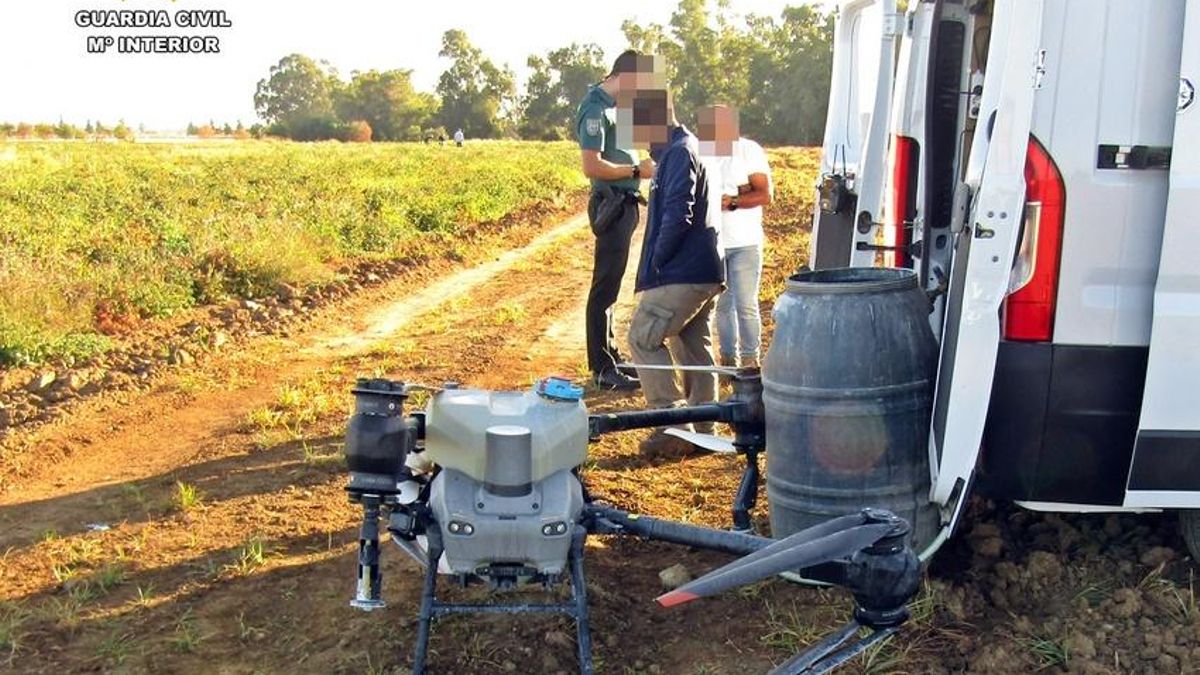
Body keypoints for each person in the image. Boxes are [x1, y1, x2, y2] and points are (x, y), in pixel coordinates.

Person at [626, 89, 723, 457]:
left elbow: (678, 213)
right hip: (705, 269)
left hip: (682, 271)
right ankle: (706, 428)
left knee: (643, 337)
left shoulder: (679, 153)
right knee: (693, 346)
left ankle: (672, 426)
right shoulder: (684, 149)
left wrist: (657, 261)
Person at [575, 49, 658, 391]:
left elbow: (628, 151)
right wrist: (638, 171)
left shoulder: (618, 109)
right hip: (611, 204)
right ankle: (601, 368)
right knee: (605, 285)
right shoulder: (594, 107)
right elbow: (591, 165)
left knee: (614, 284)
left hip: (626, 204)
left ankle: (611, 356)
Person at [697, 105, 773, 370]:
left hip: (745, 242)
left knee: (746, 304)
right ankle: (729, 362)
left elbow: (765, 194)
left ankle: (751, 361)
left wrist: (733, 201)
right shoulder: (704, 154)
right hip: (715, 242)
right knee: (722, 306)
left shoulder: (748, 151)